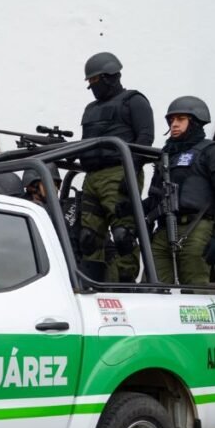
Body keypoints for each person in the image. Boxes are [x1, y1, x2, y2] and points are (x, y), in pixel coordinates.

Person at [131, 96, 215, 284]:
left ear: (195, 122)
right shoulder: (166, 155)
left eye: (180, 119)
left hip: (196, 226)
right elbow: (155, 197)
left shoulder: (211, 152)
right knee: (152, 285)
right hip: (164, 227)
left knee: (195, 286)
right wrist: (132, 209)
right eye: (171, 120)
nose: (174, 124)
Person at [77, 51, 155, 282]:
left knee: (123, 235)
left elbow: (145, 138)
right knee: (88, 238)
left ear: (110, 76)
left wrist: (130, 173)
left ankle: (124, 285)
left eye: (95, 80)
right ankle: (93, 285)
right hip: (91, 176)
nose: (92, 86)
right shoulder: (90, 109)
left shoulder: (134, 101)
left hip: (119, 173)